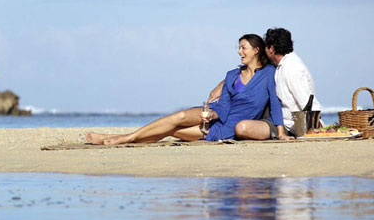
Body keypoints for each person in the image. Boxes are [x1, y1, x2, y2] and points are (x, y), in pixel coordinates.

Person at [85, 34, 287, 145]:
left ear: (256, 50)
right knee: (180, 116)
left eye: (243, 47)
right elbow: (224, 104)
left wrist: (281, 133)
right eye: (239, 47)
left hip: (224, 129)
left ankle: (121, 138)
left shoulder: (268, 74)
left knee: (172, 131)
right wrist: (213, 113)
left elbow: (276, 104)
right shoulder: (231, 75)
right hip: (216, 115)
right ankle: (125, 138)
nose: (239, 51)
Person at [233, 27, 320, 139]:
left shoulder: (291, 68)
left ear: (271, 49)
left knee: (242, 128)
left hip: (288, 125)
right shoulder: (278, 65)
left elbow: (307, 101)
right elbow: (249, 66)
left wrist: (318, 128)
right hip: (274, 118)